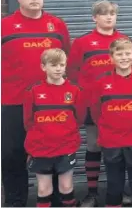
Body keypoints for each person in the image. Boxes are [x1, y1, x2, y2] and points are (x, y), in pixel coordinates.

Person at [1, 0, 70, 207]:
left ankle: (55, 199)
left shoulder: (57, 25)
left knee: (52, 152)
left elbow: (65, 59)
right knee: (12, 153)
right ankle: (15, 200)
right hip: (13, 101)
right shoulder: (5, 26)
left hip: (51, 102)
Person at [66, 0, 128, 207]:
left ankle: (118, 191)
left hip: (120, 104)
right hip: (93, 105)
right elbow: (72, 72)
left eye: (112, 13)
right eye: (103, 14)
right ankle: (92, 193)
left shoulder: (124, 40)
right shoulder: (82, 42)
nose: (109, 17)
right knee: (93, 145)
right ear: (94, 18)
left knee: (119, 147)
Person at [89, 38, 132, 207]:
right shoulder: (101, 81)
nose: (124, 57)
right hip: (111, 141)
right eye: (119, 54)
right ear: (111, 58)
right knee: (114, 184)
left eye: (128, 53)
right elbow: (96, 111)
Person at [24, 48, 85, 207]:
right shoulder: (33, 91)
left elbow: (79, 118)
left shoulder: (75, 90)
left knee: (66, 186)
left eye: (61, 65)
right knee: (44, 189)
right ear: (43, 67)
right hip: (40, 148)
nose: (58, 69)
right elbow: (28, 121)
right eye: (53, 65)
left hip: (66, 146)